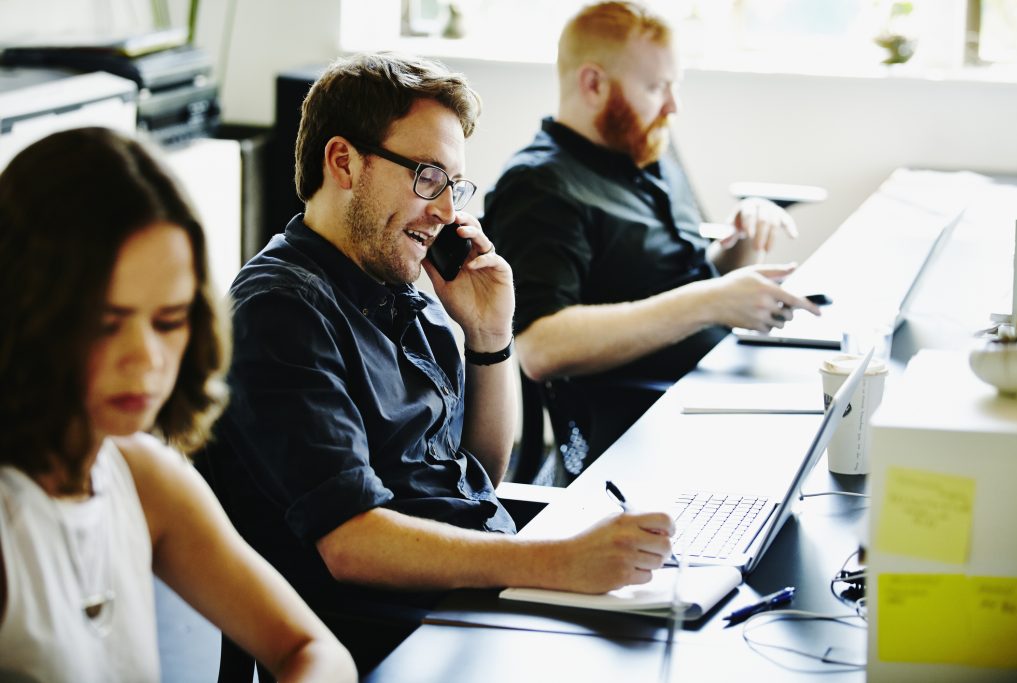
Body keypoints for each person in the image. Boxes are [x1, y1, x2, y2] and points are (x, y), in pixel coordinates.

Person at [200, 52, 674, 673]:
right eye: (427, 177)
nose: (448, 211)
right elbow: (352, 541)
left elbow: (478, 472)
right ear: (343, 161)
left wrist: (489, 336)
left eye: (454, 186)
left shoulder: (401, 295)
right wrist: (557, 563)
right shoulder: (280, 313)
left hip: (467, 597)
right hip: (397, 641)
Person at [0, 127, 357, 683]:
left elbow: (314, 650)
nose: (145, 359)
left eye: (169, 321)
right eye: (104, 324)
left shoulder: (142, 478)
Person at [483, 1, 821, 466]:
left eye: (674, 86)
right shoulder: (540, 186)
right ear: (594, 83)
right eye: (656, 87)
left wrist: (739, 240)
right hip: (639, 429)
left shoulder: (645, 149)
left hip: (704, 383)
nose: (673, 106)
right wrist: (711, 301)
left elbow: (686, 278)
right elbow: (541, 347)